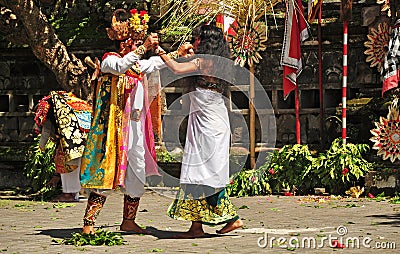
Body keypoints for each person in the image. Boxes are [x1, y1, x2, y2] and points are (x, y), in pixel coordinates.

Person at [79, 8, 192, 234]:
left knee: (138, 170)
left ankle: (128, 221)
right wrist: (143, 48)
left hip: (136, 129)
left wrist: (176, 54)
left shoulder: (138, 66)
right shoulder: (109, 61)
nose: (134, 47)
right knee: (107, 170)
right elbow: (122, 66)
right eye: (132, 43)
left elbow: (157, 64)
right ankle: (89, 223)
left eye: (136, 43)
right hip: (115, 130)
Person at [156, 24, 243, 238]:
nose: (195, 42)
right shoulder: (221, 63)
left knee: (204, 175)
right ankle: (196, 228)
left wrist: (160, 51)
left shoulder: (201, 62)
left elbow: (175, 69)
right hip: (213, 124)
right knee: (199, 173)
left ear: (205, 41)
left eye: (197, 39)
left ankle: (232, 218)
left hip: (206, 127)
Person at [34, 91, 92, 202]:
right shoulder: (70, 104)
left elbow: (46, 131)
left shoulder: (45, 110)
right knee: (79, 164)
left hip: (69, 141)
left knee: (65, 163)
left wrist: (41, 147)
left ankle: (68, 194)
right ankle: (79, 192)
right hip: (84, 136)